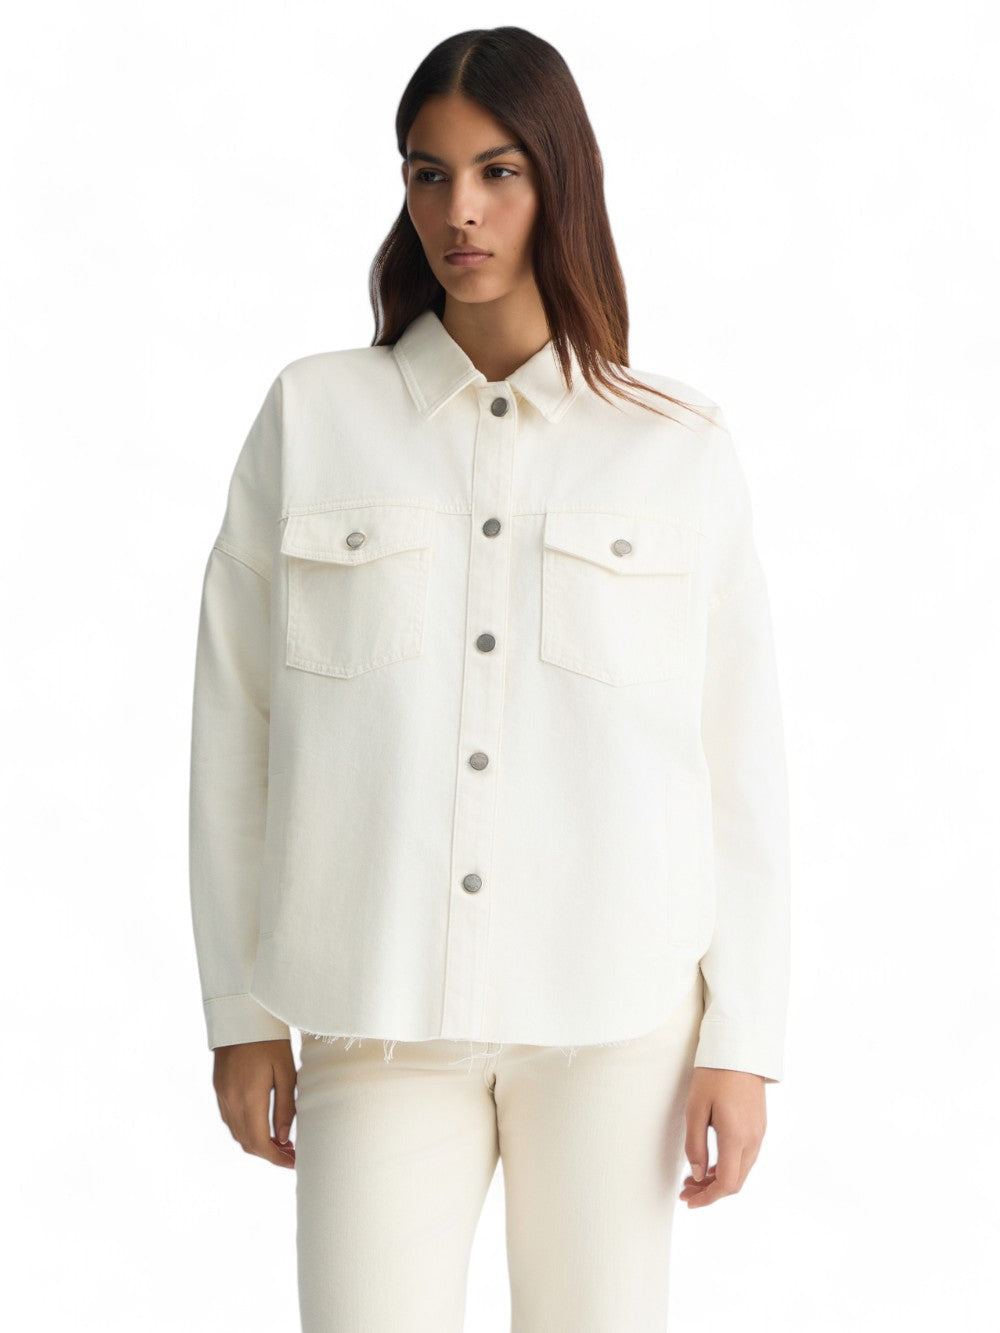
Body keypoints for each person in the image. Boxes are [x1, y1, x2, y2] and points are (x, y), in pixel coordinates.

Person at [188, 25, 791, 1332]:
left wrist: (742, 1039)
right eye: (429, 173)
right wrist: (240, 1010)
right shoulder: (314, 415)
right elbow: (238, 728)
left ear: (561, 179)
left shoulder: (677, 445)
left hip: (616, 1018)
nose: (460, 209)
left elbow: (735, 759)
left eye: (499, 171)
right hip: (373, 1011)